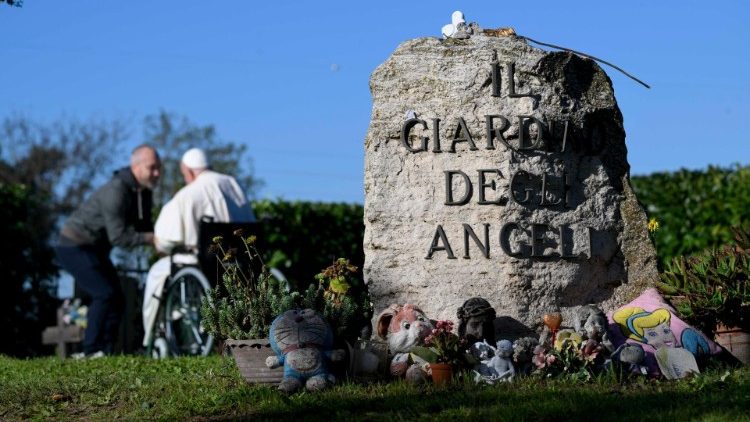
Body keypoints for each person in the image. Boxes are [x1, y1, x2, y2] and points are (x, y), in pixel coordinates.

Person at [142, 147, 254, 348]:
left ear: (190, 171)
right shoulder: (233, 185)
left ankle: (151, 335)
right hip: (239, 260)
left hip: (202, 262)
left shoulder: (188, 194)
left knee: (156, 272)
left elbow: (166, 240)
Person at [56, 144, 161, 358]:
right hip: (74, 245)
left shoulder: (143, 193)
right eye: (152, 168)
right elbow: (119, 237)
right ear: (136, 166)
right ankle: (91, 350)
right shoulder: (117, 191)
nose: (157, 173)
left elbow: (145, 226)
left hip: (96, 249)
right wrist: (152, 240)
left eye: (159, 168)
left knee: (117, 298)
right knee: (104, 294)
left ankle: (106, 350)